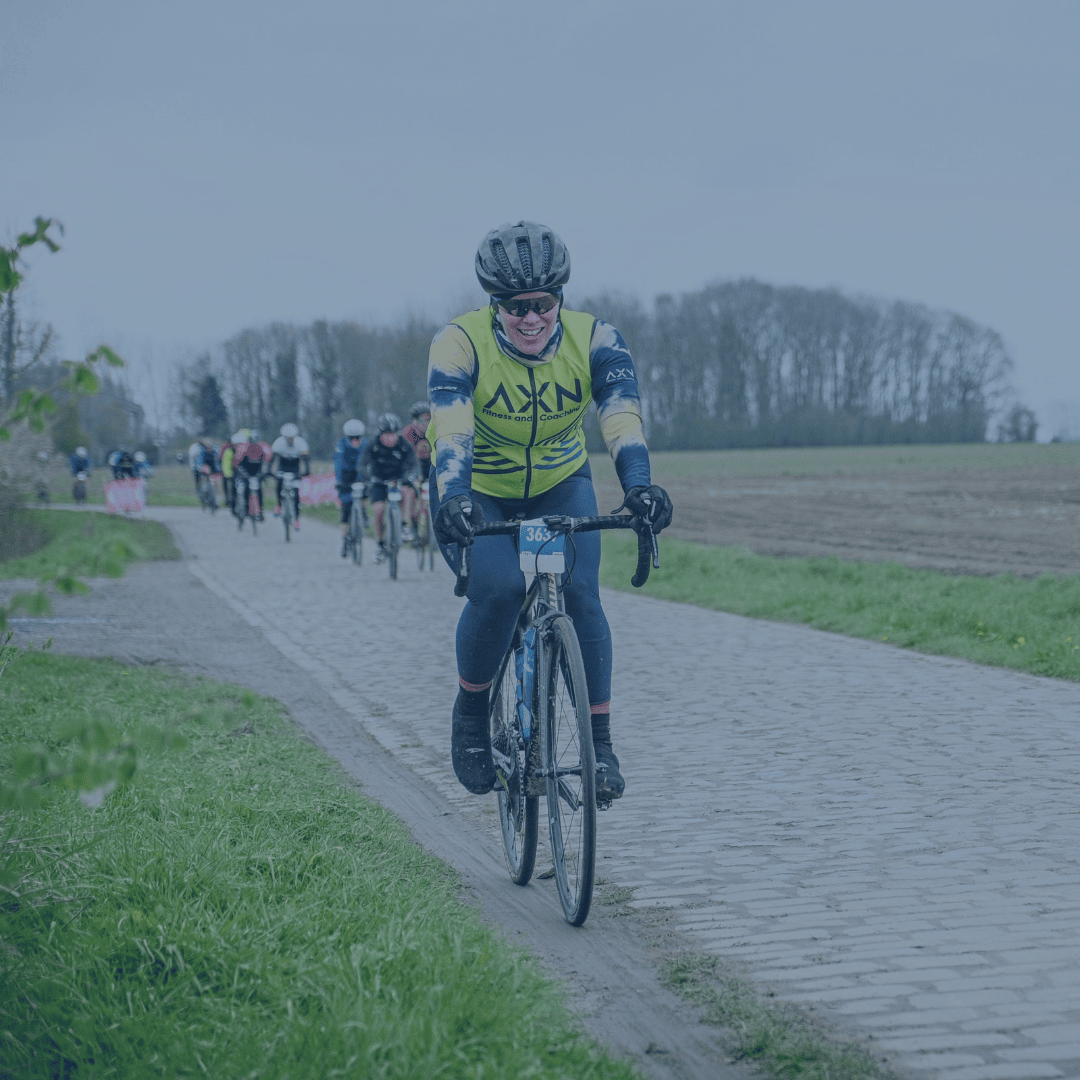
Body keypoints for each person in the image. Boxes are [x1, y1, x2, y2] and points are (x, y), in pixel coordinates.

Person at [427, 221, 672, 798]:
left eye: (543, 303)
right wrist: (454, 495)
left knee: (582, 593)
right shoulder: (459, 343)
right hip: (478, 488)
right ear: (495, 305)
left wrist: (639, 486)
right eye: (516, 306)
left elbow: (620, 414)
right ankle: (471, 714)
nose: (531, 317)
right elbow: (452, 428)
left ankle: (600, 745)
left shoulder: (596, 338)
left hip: (561, 483)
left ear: (560, 297)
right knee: (500, 590)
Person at [358, 413, 418, 562]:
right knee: (378, 510)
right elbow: (362, 465)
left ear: (397, 433)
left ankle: (403, 525)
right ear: (380, 434)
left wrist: (410, 477)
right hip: (379, 482)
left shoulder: (404, 445)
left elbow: (414, 465)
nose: (390, 438)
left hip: (399, 480)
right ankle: (380, 545)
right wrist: (369, 478)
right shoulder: (373, 445)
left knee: (408, 491)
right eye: (386, 434)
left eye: (393, 434)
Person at [333, 419, 368, 554]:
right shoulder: (341, 445)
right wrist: (339, 481)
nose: (355, 440)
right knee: (346, 508)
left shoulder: (366, 444)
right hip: (345, 477)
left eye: (357, 438)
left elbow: (369, 461)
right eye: (351, 438)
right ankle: (345, 539)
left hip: (361, 474)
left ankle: (363, 513)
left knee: (365, 494)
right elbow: (338, 464)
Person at [270, 423, 311, 528]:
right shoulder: (278, 443)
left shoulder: (301, 443)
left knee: (296, 493)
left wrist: (307, 471)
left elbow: (306, 460)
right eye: (288, 438)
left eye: (292, 438)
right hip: (282, 466)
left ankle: (296, 519)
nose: (290, 440)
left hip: (295, 467)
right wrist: (269, 471)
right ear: (284, 437)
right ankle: (279, 505)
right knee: (279, 483)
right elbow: (272, 459)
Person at [401, 401, 432, 537]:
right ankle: (413, 528)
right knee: (414, 506)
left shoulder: (434, 431)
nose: (426, 424)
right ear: (414, 421)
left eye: (429, 420)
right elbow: (406, 459)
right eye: (422, 420)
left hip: (430, 467)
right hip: (413, 469)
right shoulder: (407, 433)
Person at [231, 429, 273, 519]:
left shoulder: (262, 448)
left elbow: (267, 461)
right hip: (245, 470)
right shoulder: (243, 448)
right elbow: (236, 464)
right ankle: (245, 508)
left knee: (259, 489)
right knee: (246, 487)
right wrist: (241, 473)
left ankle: (260, 510)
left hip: (256, 471)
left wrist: (265, 473)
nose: (254, 444)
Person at [220, 434, 238, 512]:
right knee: (228, 484)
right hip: (226, 467)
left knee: (226, 485)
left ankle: (228, 499)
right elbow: (224, 460)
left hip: (229, 468)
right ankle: (228, 499)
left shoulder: (225, 446)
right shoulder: (228, 448)